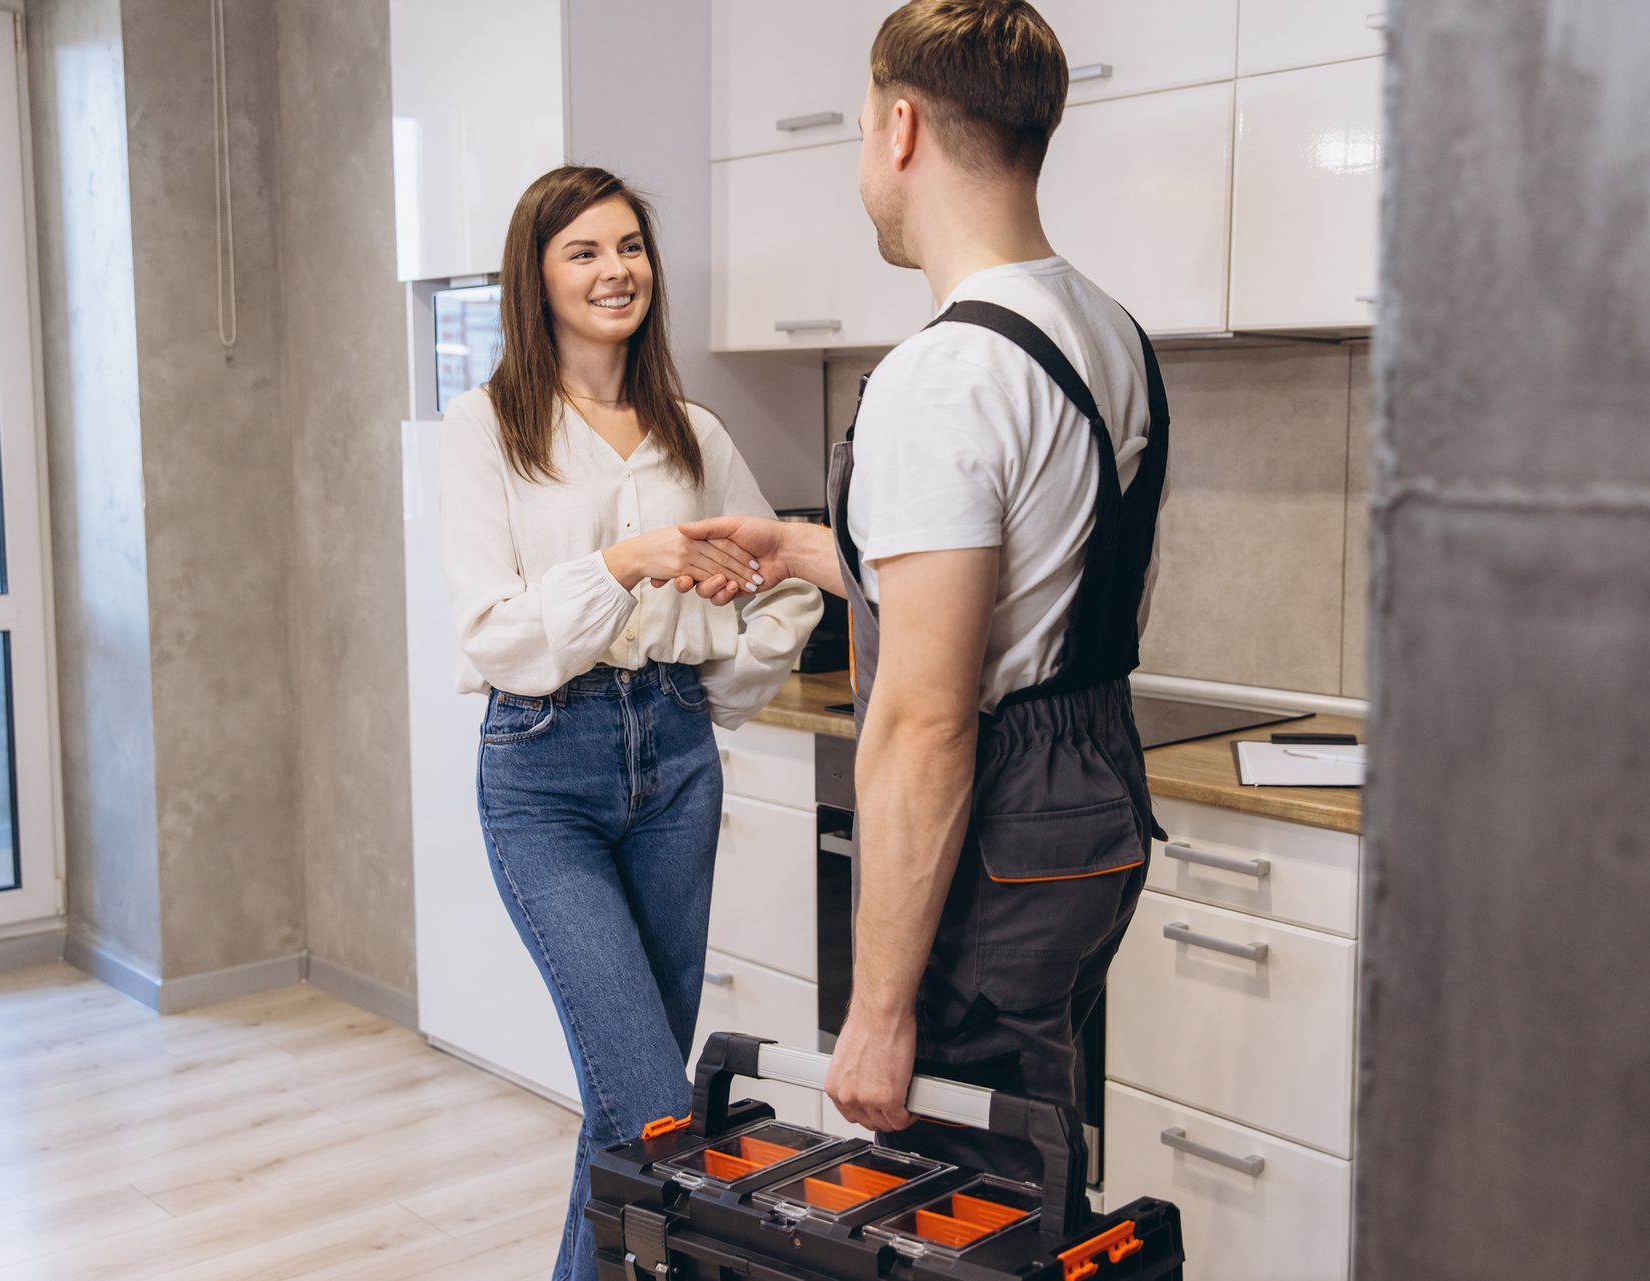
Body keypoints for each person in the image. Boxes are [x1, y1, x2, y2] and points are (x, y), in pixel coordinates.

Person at [680, 0, 1170, 1183]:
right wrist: (807, 550)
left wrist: (880, 1009)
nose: (861, 165)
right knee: (1029, 1153)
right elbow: (1038, 583)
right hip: (1091, 795)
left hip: (996, 815)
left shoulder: (943, 375)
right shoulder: (1108, 329)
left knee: (955, 1188)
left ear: (901, 128)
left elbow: (928, 711)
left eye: (856, 131)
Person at [440, 165, 821, 1281]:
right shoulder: (490, 427)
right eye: (585, 252)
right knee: (656, 1109)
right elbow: (494, 634)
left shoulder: (693, 432)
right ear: (538, 276)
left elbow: (787, 574)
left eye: (630, 248)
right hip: (542, 772)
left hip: (677, 762)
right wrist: (621, 561)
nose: (617, 272)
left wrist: (722, 683)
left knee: (630, 1110)